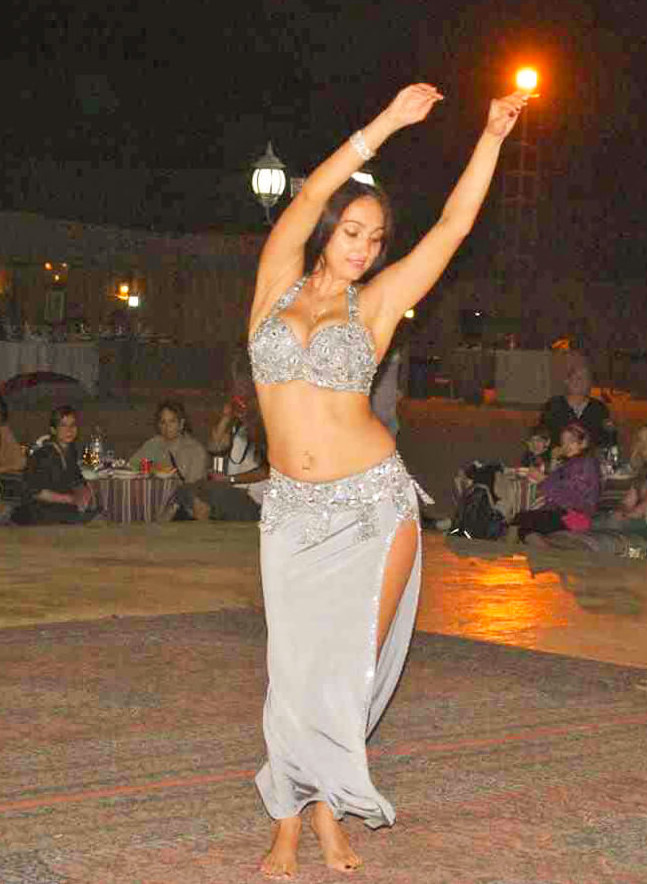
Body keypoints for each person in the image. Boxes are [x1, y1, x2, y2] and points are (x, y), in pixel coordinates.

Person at [247, 82, 523, 876]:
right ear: (326, 231)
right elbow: (313, 192)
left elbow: (452, 228)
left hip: (374, 506)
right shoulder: (274, 282)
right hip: (291, 513)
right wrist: (388, 124)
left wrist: (492, 138)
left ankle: (312, 817)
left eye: (375, 239)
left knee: (345, 672)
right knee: (293, 671)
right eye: (353, 232)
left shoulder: (374, 307)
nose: (365, 248)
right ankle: (297, 814)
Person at [512, 422, 602, 544]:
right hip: (563, 513)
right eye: (563, 442)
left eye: (571, 441)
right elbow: (553, 485)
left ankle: (539, 551)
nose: (566, 446)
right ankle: (543, 551)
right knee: (523, 525)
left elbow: (572, 498)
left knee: (521, 520)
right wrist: (552, 462)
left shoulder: (586, 464)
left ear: (583, 443)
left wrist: (543, 480)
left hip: (576, 516)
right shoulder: (569, 464)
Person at [12, 405, 101, 525]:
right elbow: (35, 492)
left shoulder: (70, 451)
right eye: (63, 425)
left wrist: (84, 493)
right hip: (38, 512)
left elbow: (77, 479)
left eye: (72, 425)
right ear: (53, 430)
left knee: (99, 514)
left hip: (59, 509)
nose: (69, 430)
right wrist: (71, 499)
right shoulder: (44, 455)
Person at [196, 394, 271, 521]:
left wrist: (229, 479)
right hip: (235, 492)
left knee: (206, 494)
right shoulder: (239, 429)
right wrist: (226, 417)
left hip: (255, 499)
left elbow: (266, 471)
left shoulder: (268, 431)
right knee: (196, 490)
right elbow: (214, 446)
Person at [537, 360, 613, 451]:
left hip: (590, 458)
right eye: (575, 378)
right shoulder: (553, 406)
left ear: (590, 384)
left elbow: (608, 440)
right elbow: (541, 438)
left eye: (584, 379)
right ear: (566, 381)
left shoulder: (599, 409)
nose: (579, 382)